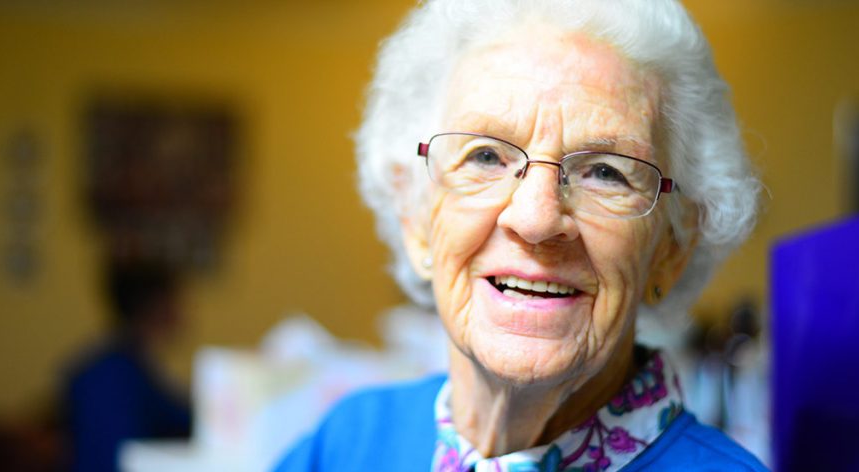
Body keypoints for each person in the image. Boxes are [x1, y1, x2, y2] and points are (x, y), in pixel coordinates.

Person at [278, 0, 766, 469]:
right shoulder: (351, 441)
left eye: (604, 172)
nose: (535, 219)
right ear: (415, 217)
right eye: (486, 156)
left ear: (671, 247)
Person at [64, 262, 192, 472]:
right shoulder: (111, 375)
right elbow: (114, 457)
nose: (184, 313)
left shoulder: (134, 366)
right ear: (155, 305)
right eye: (176, 301)